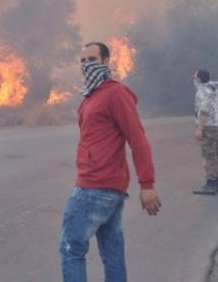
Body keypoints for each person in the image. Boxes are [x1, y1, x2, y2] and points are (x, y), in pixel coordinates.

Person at [60, 42, 161, 282]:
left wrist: (147, 184)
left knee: (71, 248)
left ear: (106, 62)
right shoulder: (90, 96)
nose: (86, 65)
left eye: (92, 59)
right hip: (109, 190)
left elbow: (138, 140)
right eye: (82, 60)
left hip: (94, 187)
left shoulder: (115, 94)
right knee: (112, 253)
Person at [192, 69, 218, 195]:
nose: (193, 79)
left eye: (194, 77)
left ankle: (210, 184)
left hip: (209, 128)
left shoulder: (202, 92)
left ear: (199, 79)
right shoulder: (214, 90)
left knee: (209, 155)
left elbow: (204, 111)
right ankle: (217, 183)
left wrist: (200, 128)